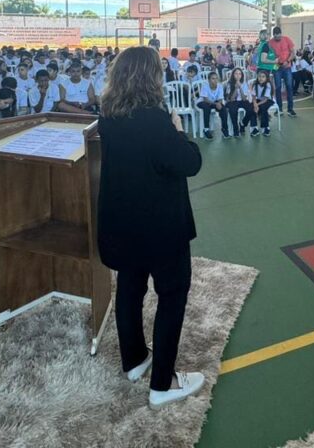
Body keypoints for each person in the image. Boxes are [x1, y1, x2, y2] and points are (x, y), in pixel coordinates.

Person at [96, 46, 204, 409]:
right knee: (172, 296)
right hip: (160, 227)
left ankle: (134, 360)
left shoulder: (108, 114)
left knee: (130, 288)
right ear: (150, 77)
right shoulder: (156, 121)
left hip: (122, 223)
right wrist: (178, 130)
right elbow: (189, 163)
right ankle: (163, 382)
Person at [268, 26, 298, 118]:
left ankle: (290, 109)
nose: (278, 38)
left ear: (281, 34)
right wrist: (274, 61)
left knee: (289, 87)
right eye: (276, 37)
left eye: (279, 36)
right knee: (278, 87)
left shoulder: (287, 39)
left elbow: (293, 53)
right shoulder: (270, 43)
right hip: (276, 66)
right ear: (273, 35)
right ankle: (279, 109)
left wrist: (288, 61)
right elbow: (269, 55)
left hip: (287, 66)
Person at [196, 71, 228, 139]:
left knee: (223, 108)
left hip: (214, 102)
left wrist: (219, 103)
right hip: (202, 102)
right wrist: (216, 103)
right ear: (209, 80)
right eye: (213, 78)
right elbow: (205, 99)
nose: (215, 80)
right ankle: (206, 129)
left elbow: (220, 97)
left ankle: (224, 128)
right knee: (206, 108)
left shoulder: (220, 86)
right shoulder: (205, 86)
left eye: (216, 78)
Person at [223, 67, 252, 138]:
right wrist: (236, 88)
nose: (238, 75)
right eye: (236, 74)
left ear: (242, 75)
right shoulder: (229, 84)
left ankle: (242, 123)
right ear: (233, 75)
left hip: (242, 101)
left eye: (239, 74)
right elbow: (231, 99)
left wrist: (240, 87)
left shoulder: (244, 83)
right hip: (232, 101)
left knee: (251, 108)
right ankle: (236, 130)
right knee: (233, 110)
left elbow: (244, 99)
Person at [249, 69, 274, 136]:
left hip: (268, 100)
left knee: (263, 107)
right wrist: (254, 104)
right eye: (259, 76)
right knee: (251, 108)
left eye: (263, 76)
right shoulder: (255, 84)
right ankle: (254, 127)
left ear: (266, 78)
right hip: (258, 100)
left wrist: (257, 104)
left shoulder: (268, 84)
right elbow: (254, 96)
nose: (261, 78)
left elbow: (265, 99)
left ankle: (265, 127)